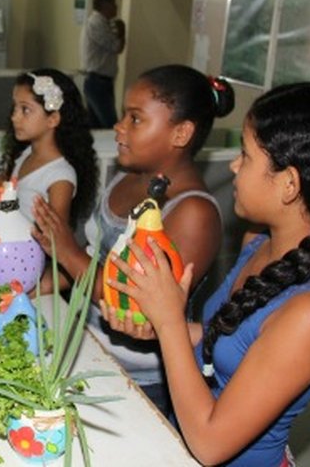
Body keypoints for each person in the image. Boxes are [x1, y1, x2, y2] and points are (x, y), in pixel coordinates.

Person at [101, 82, 310, 466]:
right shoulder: (258, 242)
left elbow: (210, 444)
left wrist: (172, 322)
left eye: (246, 156)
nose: (234, 166)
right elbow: (229, 339)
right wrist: (158, 322)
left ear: (289, 184)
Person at [32, 65, 235, 416]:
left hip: (138, 382)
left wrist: (65, 251)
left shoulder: (194, 213)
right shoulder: (128, 176)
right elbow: (93, 258)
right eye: (124, 114)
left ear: (181, 133)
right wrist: (38, 286)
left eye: (136, 119)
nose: (119, 126)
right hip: (84, 347)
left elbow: (138, 305)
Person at [0, 68, 98, 228]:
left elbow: (54, 239)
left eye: (25, 109)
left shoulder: (60, 177)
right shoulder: (24, 155)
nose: (14, 117)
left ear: (52, 119)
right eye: (15, 108)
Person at [81, 0, 126, 129]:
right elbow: (116, 47)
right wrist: (122, 32)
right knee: (110, 125)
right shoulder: (97, 23)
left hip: (101, 81)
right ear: (105, 5)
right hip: (97, 82)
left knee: (96, 127)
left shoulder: (104, 23)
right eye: (114, 4)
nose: (116, 8)